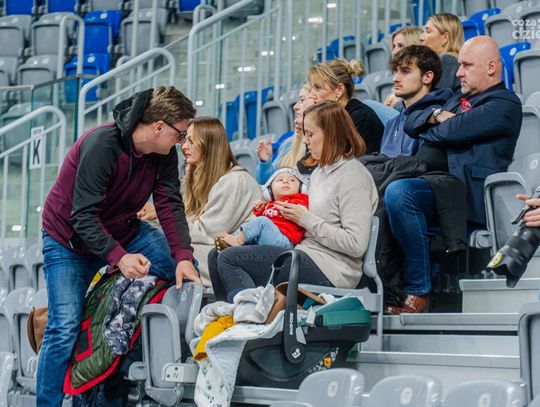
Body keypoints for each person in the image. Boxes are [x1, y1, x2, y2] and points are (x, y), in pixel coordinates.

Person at [38, 86, 202, 406]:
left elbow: (169, 203)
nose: (181, 142)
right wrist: (119, 257)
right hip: (68, 241)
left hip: (124, 230)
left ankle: (136, 366)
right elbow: (83, 217)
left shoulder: (163, 154)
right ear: (159, 127)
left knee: (186, 270)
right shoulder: (102, 145)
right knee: (64, 326)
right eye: (180, 134)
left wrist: (183, 255)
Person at [383, 36, 523, 314]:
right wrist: (436, 115)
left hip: (466, 193)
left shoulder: (504, 103)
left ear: (491, 67)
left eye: (467, 65)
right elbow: (412, 121)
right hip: (434, 185)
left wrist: (436, 128)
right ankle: (382, 290)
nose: (458, 73)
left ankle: (418, 292)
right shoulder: (455, 99)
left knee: (400, 193)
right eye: (459, 65)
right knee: (383, 192)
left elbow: (452, 131)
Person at [208, 101, 378, 302]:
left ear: (331, 134)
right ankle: (238, 313)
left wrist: (305, 218)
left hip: (332, 269)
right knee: (216, 255)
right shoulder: (320, 173)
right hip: (303, 253)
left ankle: (249, 315)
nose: (305, 141)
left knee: (230, 259)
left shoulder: (353, 175)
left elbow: (356, 244)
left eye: (310, 134)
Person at [139, 117, 262, 286]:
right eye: (184, 140)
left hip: (231, 258)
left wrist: (159, 216)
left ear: (209, 145)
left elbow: (207, 233)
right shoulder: (204, 178)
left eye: (191, 141)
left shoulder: (236, 181)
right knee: (150, 240)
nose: (184, 147)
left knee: (159, 249)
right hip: (214, 249)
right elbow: (191, 222)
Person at [380, 45, 450, 158]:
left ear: (427, 77)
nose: (395, 79)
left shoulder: (435, 118)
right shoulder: (391, 124)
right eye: (396, 71)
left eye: (405, 71)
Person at [216, 167, 309, 250]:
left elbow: (263, 223)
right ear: (269, 190)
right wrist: (261, 209)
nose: (285, 182)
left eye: (292, 180)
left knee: (261, 221)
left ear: (301, 188)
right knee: (251, 224)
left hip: (284, 241)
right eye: (280, 180)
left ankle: (238, 241)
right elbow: (264, 222)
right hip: (268, 237)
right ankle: (228, 243)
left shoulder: (300, 200)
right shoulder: (270, 204)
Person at [308, 59, 384, 153]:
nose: (311, 95)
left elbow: (335, 157)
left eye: (318, 88)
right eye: (312, 88)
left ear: (339, 90)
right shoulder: (331, 117)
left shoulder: (359, 118)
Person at [255, 83, 317, 184]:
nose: (295, 107)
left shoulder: (319, 146)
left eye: (302, 100)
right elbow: (267, 184)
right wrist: (265, 163)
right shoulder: (287, 143)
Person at [419, 12, 464, 92]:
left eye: (428, 31)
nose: (421, 37)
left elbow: (438, 97)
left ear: (445, 38)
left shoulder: (447, 60)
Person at [385, 26, 424, 107]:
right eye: (394, 46)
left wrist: (399, 103)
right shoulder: (397, 72)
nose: (394, 52)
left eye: (400, 45)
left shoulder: (421, 71)